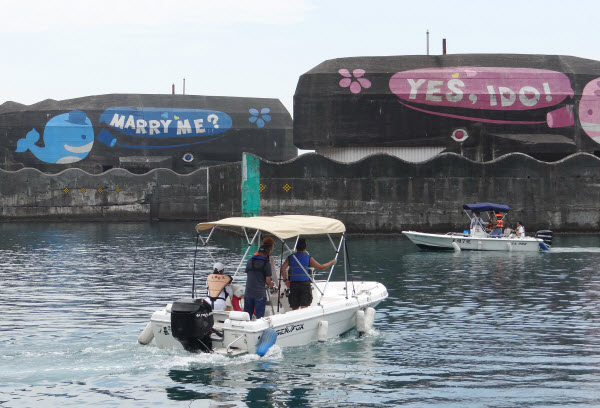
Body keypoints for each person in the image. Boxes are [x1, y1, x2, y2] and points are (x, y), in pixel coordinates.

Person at [280, 238, 337, 310]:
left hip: (294, 284)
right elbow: (321, 267)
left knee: (295, 306)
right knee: (304, 306)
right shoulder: (308, 258)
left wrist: (285, 280)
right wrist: (332, 262)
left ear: (296, 247)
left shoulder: (291, 257)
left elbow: (283, 268)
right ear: (305, 247)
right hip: (305, 285)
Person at [243, 243, 275, 319]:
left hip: (248, 293)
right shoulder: (266, 264)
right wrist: (271, 284)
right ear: (266, 254)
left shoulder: (250, 261)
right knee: (260, 318)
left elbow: (249, 274)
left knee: (247, 317)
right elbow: (267, 281)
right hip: (260, 294)